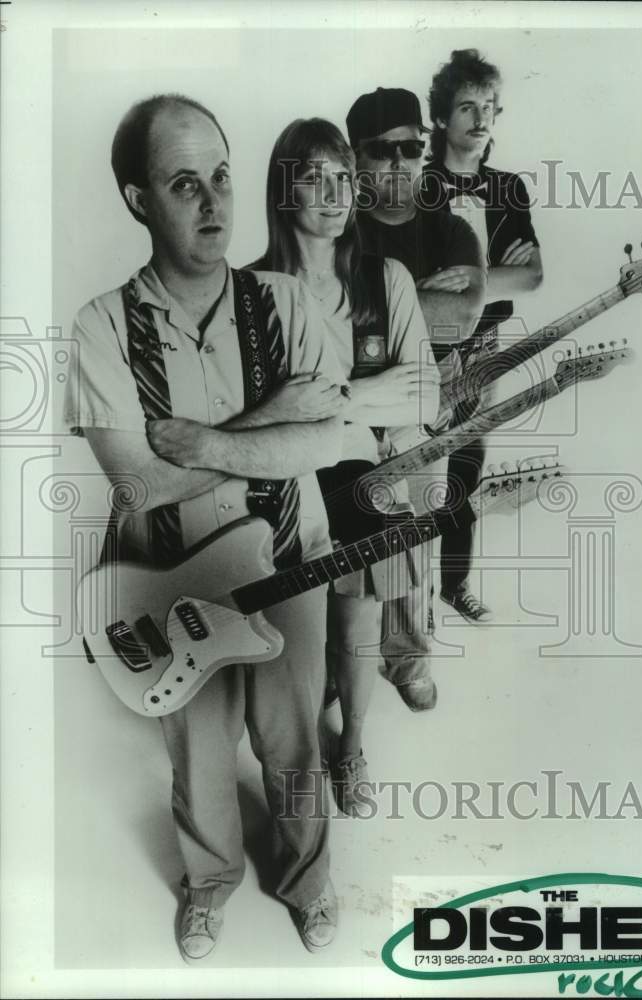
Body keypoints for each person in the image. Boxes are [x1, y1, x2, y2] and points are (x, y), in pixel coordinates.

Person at [64, 94, 346, 962]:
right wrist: (270, 426)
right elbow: (139, 484)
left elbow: (329, 435)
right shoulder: (100, 326)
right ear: (137, 198)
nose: (215, 203)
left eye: (221, 176)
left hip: (290, 557)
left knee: (295, 740)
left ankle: (308, 882)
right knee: (200, 751)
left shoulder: (288, 299)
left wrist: (209, 442)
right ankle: (209, 883)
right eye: (185, 183)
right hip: (170, 584)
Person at [245, 118, 439, 814]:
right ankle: (295, 749)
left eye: (344, 179)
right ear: (283, 188)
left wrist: (342, 400)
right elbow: (255, 413)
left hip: (364, 476)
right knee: (296, 637)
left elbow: (424, 389)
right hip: (283, 485)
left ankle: (351, 747)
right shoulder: (250, 293)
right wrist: (350, 407)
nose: (333, 194)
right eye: (315, 176)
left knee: (359, 623)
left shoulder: (384, 279)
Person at [346, 85, 486, 694]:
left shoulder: (449, 227)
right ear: (355, 158)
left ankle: (404, 658)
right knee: (340, 528)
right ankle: (335, 663)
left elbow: (458, 320)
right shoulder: (333, 229)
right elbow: (315, 316)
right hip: (348, 398)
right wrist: (419, 297)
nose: (400, 162)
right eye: (382, 151)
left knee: (411, 527)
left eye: (410, 148)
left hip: (431, 395)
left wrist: (380, 308)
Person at [423, 49, 542, 623]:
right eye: (466, 106)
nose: (480, 117)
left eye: (489, 106)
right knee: (410, 470)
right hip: (422, 348)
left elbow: (534, 274)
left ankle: (453, 585)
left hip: (484, 349)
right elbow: (411, 282)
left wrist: (472, 275)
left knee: (465, 470)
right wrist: (491, 270)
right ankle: (402, 597)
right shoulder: (416, 187)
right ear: (441, 118)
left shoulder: (509, 189)